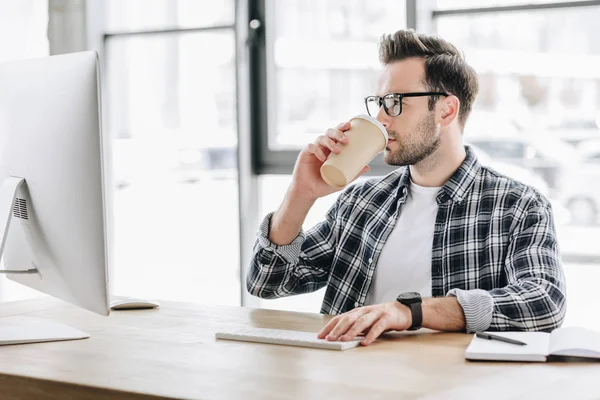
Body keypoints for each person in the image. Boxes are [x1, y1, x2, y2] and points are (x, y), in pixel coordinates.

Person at [246, 29, 566, 346]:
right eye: (380, 102)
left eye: (396, 102)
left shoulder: (518, 205)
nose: (382, 118)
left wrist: (411, 312)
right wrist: (300, 195)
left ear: (446, 110)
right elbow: (267, 283)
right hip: (348, 385)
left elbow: (545, 302)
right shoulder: (363, 202)